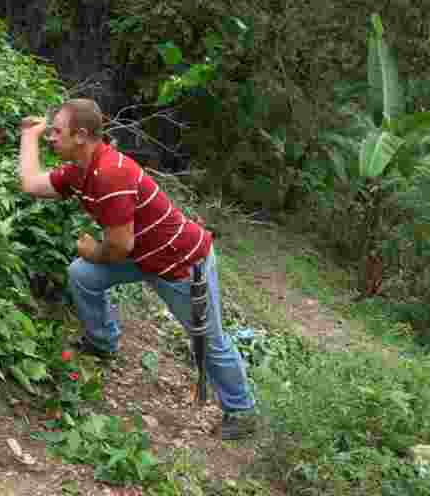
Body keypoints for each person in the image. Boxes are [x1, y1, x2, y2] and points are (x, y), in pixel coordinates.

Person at [18, 98, 258, 440]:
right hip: (143, 254)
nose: (51, 138)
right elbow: (31, 184)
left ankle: (242, 410)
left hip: (181, 262)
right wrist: (30, 135)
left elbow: (118, 248)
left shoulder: (110, 175)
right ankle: (102, 341)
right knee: (82, 275)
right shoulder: (80, 171)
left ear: (82, 136)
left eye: (56, 132)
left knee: (206, 338)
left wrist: (91, 249)